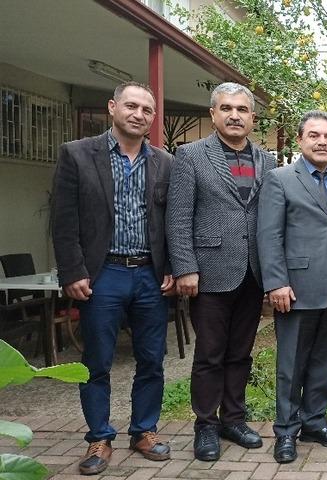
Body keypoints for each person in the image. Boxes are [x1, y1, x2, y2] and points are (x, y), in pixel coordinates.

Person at [51, 81, 174, 475]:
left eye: (147, 110)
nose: (139, 115)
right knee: (97, 361)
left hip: (150, 276)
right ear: (112, 108)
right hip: (103, 274)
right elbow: (64, 220)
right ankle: (99, 438)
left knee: (152, 359)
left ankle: (144, 431)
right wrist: (73, 272)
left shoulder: (164, 162)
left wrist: (172, 266)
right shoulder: (77, 155)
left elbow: (170, 222)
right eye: (132, 106)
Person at [166, 82, 277, 461]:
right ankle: (205, 426)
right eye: (226, 108)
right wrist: (185, 268)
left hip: (253, 273)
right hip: (208, 273)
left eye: (242, 110)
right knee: (209, 353)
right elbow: (178, 217)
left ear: (252, 118)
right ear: (213, 114)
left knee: (241, 352)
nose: (234, 115)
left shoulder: (268, 162)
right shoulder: (191, 155)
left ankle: (233, 418)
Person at [257, 110, 327, 463]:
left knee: (324, 360)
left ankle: (315, 422)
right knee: (291, 362)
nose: (322, 142)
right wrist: (276, 282)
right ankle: (286, 431)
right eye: (314, 135)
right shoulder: (280, 179)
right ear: (300, 140)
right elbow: (269, 234)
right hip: (296, 287)